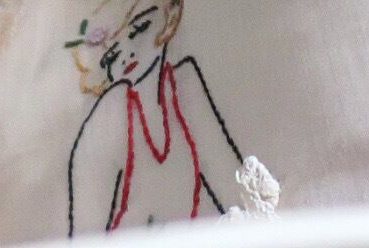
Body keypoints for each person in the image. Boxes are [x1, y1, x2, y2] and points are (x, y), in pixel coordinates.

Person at [65, 0, 245, 234]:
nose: (127, 55)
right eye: (111, 57)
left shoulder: (185, 82)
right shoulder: (105, 118)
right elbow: (84, 240)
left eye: (139, 30)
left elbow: (231, 184)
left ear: (169, 20)